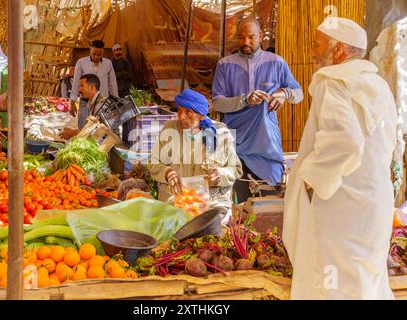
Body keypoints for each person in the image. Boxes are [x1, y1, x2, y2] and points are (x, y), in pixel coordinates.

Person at [283, 17, 397, 300]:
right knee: (364, 283)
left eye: (315, 45)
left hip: (341, 209)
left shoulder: (334, 82)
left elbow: (344, 143)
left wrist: (312, 180)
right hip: (374, 206)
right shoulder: (379, 86)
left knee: (332, 287)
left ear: (338, 50)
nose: (310, 51)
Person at [212, 17, 304, 203]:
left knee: (269, 201)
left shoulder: (277, 62)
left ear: (261, 36)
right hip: (235, 142)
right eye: (241, 37)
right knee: (238, 202)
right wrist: (245, 100)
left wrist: (284, 94)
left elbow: (298, 93)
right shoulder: (224, 65)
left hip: (266, 144)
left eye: (251, 37)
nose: (245, 42)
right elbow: (217, 103)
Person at [147, 89, 243, 222]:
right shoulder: (170, 129)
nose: (181, 117)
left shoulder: (221, 133)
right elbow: (153, 162)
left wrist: (219, 174)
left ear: (201, 116)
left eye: (189, 112)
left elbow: (235, 170)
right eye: (179, 111)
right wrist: (167, 172)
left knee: (211, 228)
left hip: (211, 204)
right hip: (176, 202)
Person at [70, 40, 118, 129]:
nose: (96, 57)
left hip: (103, 102)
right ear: (90, 50)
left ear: (103, 52)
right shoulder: (81, 62)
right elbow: (76, 82)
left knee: (100, 129)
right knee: (82, 129)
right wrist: (72, 102)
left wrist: (116, 101)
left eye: (99, 55)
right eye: (94, 54)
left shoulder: (108, 63)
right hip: (85, 101)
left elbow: (113, 84)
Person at [60, 74, 109, 140]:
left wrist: (72, 133)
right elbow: (90, 127)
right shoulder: (92, 103)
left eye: (82, 86)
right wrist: (72, 131)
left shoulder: (100, 105)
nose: (79, 90)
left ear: (92, 87)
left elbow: (96, 130)